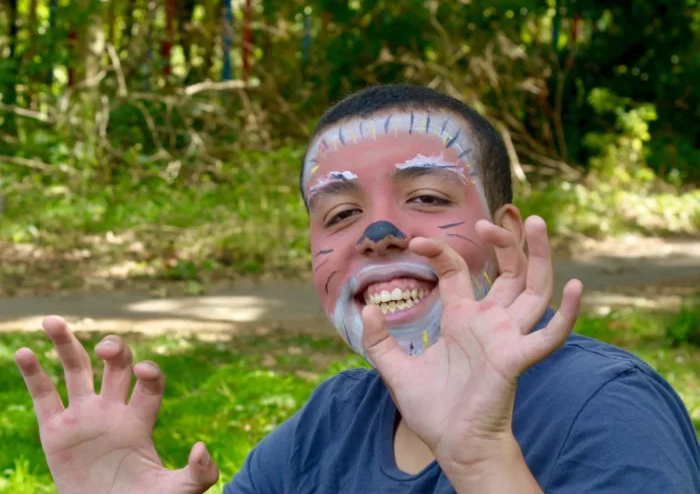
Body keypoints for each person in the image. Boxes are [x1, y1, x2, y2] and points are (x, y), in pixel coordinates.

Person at [15, 85, 700, 494]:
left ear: (504, 236)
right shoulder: (326, 430)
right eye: (339, 214)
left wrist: (481, 456)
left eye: (427, 196)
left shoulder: (605, 408)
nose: (376, 231)